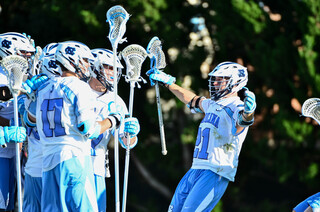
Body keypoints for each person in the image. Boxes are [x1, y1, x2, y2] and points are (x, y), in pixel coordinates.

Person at [25, 41, 122, 212]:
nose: (87, 65)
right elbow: (88, 129)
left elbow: (29, 121)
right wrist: (113, 120)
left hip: (48, 162)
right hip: (74, 158)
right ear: (71, 59)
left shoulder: (43, 87)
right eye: (84, 60)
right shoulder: (79, 87)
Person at [147, 61, 256, 211]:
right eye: (215, 79)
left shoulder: (236, 106)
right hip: (196, 168)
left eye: (221, 79)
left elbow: (242, 121)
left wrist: (249, 113)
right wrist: (168, 83)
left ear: (236, 82)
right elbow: (192, 100)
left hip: (215, 171)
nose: (216, 82)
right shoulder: (212, 104)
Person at [89, 48, 140, 211]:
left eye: (116, 68)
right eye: (108, 67)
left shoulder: (116, 101)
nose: (113, 72)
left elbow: (126, 143)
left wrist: (130, 134)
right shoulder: (78, 90)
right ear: (93, 66)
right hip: (72, 162)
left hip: (96, 166)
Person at [22, 42, 60, 212]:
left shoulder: (74, 90)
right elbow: (28, 123)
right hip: (36, 167)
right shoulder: (32, 87)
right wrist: (32, 98)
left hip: (60, 166)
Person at [0, 32, 35, 212]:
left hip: (16, 151)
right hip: (2, 150)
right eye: (24, 52)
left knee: (12, 205)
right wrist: (9, 126)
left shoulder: (23, 76)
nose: (27, 58)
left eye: (29, 54)